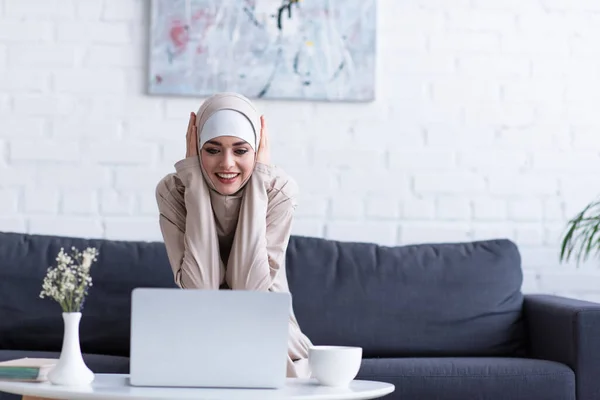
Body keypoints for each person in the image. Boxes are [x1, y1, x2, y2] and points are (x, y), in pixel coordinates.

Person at [154, 92, 313, 378]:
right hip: (202, 328)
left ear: (257, 149)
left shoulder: (278, 191)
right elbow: (201, 290)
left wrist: (259, 184)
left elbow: (250, 293)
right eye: (212, 150)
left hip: (268, 327)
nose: (227, 163)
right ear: (196, 147)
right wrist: (195, 184)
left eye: (240, 150)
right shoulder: (174, 191)